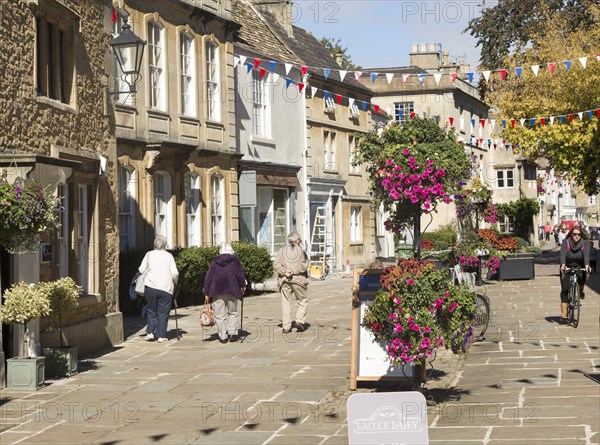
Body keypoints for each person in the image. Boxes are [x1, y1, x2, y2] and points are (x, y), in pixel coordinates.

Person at [203, 243, 246, 344]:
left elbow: (208, 276)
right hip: (232, 289)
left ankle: (223, 336)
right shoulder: (235, 260)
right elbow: (240, 274)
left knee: (219, 315)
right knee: (233, 312)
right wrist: (242, 285)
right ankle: (232, 334)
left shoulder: (215, 261)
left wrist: (206, 291)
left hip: (217, 291)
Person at [139, 235, 179, 343]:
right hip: (165, 288)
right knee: (163, 313)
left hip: (150, 287)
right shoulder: (169, 256)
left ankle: (150, 333)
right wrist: (175, 282)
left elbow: (141, 269)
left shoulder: (149, 254)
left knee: (151, 310)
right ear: (165, 245)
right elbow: (175, 273)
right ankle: (161, 336)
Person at [274, 232, 309, 333]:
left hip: (285, 280)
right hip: (298, 280)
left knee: (285, 303)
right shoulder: (301, 251)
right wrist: (293, 271)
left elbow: (276, 264)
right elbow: (304, 266)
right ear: (298, 241)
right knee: (302, 300)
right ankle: (299, 321)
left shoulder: (281, 250)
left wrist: (284, 271)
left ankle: (286, 327)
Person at [559, 227, 591, 321]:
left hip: (579, 265)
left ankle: (580, 291)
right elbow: (563, 254)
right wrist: (563, 264)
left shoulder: (585, 243)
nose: (576, 236)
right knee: (565, 288)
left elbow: (586, 255)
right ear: (571, 234)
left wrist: (587, 265)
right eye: (574, 234)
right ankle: (564, 311)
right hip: (567, 266)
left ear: (581, 235)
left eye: (578, 234)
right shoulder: (566, 242)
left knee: (582, 280)